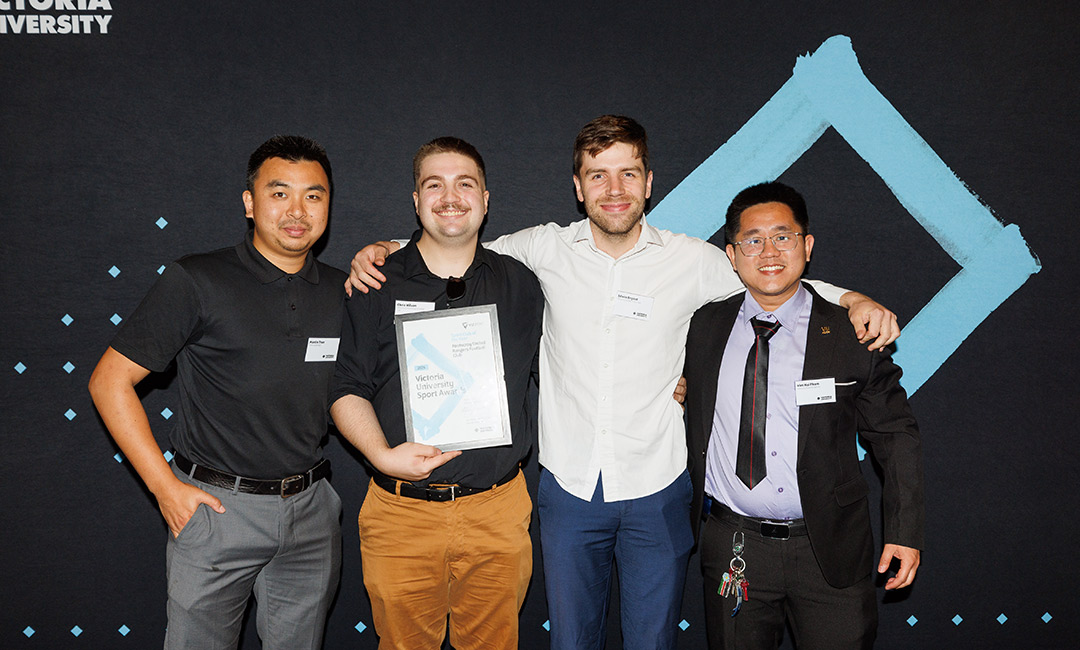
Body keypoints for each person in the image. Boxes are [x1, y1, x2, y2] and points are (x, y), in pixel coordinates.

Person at [347, 116, 899, 649]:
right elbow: (452, 243)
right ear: (578, 187)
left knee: (651, 641)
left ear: (649, 183)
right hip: (569, 490)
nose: (614, 190)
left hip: (657, 487)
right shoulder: (540, 250)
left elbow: (772, 275)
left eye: (628, 173)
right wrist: (386, 249)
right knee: (571, 640)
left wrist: (851, 298)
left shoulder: (692, 260)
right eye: (597, 175)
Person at [88, 135, 345, 649]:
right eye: (279, 193)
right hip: (217, 513)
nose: (297, 210)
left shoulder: (346, 290)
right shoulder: (197, 278)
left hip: (312, 513)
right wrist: (165, 488)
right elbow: (109, 382)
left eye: (313, 195)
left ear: (328, 205)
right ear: (249, 203)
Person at [683, 182, 924, 650]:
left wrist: (904, 531)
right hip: (736, 547)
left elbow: (896, 436)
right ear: (732, 255)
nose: (768, 251)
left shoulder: (851, 334)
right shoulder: (702, 328)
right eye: (752, 240)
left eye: (783, 236)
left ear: (807, 246)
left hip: (829, 549)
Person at [329, 137, 543, 650]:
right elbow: (345, 387)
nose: (451, 196)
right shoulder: (375, 281)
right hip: (401, 514)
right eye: (435, 185)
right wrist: (381, 455)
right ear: (416, 200)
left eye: (465, 183)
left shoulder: (523, 284)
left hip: (497, 511)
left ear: (486, 200)